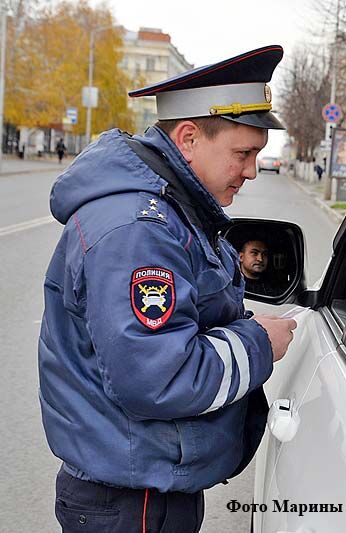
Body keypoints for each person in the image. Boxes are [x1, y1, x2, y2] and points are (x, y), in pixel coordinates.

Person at [38, 45, 297, 533]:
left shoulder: (172, 211)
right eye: (243, 153)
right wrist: (260, 342)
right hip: (130, 502)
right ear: (189, 138)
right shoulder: (139, 229)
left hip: (140, 487)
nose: (252, 171)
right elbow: (162, 377)